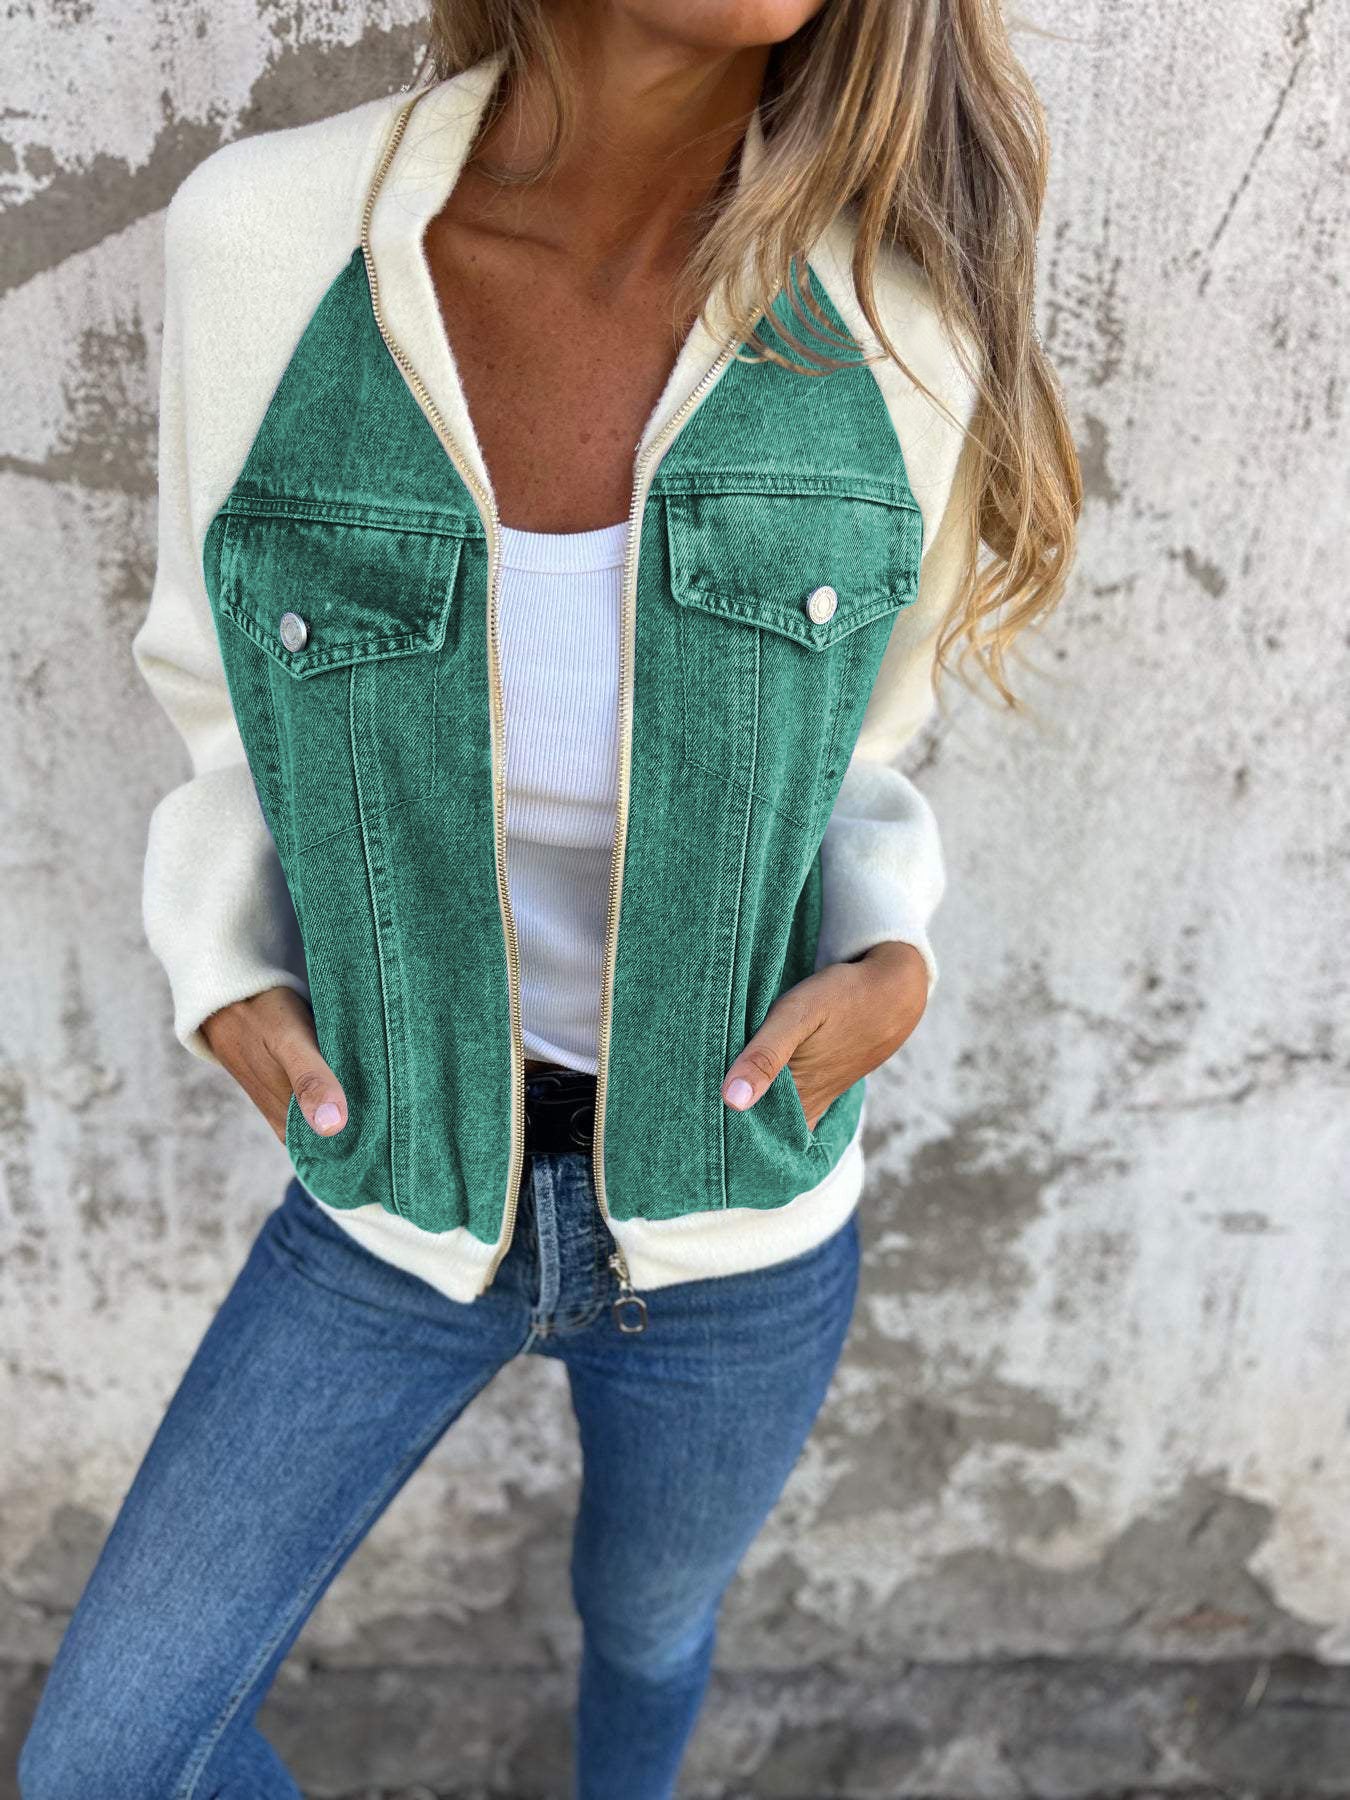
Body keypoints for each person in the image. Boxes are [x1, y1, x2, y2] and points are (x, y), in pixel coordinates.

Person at [20, 1, 1079, 1794]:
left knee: (648, 1629)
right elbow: (216, 678)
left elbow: (862, 751)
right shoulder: (271, 240)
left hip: (734, 1206)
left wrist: (891, 954)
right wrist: (217, 966)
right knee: (104, 1766)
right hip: (396, 1176)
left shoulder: (896, 318)